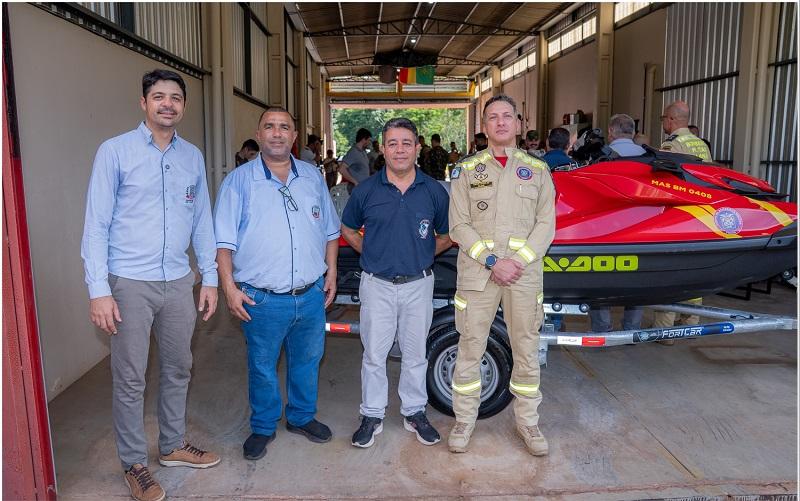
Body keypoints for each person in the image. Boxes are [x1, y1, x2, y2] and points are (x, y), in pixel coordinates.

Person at [81, 69, 220, 501]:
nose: (167, 104)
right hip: (129, 283)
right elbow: (96, 223)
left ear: (183, 106)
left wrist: (210, 276)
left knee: (179, 368)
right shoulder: (115, 152)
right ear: (144, 103)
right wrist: (99, 289)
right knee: (130, 378)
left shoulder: (191, 156)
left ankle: (173, 445)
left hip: (178, 281)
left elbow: (202, 220)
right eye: (158, 96)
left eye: (175, 97)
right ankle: (134, 464)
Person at [214, 107, 341, 461]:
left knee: (307, 361)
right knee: (262, 366)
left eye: (284, 127)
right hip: (262, 299)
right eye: (269, 126)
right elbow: (222, 243)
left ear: (294, 136)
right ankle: (263, 425)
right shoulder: (238, 182)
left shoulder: (312, 177)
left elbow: (330, 231)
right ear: (259, 134)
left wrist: (331, 273)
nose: (277, 133)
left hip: (310, 294)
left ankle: (301, 417)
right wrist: (229, 288)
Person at [447, 95, 556, 456]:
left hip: (523, 276)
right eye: (492, 117)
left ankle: (528, 423)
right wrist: (494, 261)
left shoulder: (537, 170)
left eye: (506, 116)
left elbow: (546, 224)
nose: (500, 122)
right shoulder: (467, 170)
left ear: (518, 123)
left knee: (526, 348)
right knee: (469, 347)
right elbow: (458, 225)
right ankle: (464, 421)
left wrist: (517, 262)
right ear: (484, 126)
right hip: (479, 274)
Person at [341, 117, 451, 449]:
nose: (399, 150)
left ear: (417, 147)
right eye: (392, 143)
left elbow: (448, 234)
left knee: (416, 354)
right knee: (374, 354)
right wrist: (371, 252)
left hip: (419, 284)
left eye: (406, 143)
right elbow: (348, 229)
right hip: (377, 284)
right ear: (382, 149)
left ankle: (414, 412)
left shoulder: (434, 190)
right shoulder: (366, 190)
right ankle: (372, 414)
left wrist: (422, 254)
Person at [656, 101, 711, 339]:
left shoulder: (672, 144)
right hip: (701, 216)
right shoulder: (701, 144)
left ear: (671, 119)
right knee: (696, 271)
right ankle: (691, 324)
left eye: (663, 118)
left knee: (671, 271)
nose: (663, 123)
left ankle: (663, 330)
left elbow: (664, 181)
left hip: (677, 216)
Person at [589, 114, 646, 333]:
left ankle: (602, 327)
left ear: (611, 132)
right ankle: (632, 328)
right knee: (638, 279)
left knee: (601, 278)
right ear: (633, 132)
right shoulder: (648, 157)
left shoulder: (601, 157)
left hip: (607, 228)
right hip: (642, 228)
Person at [339, 128, 373, 193]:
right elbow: (341, 169)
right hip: (356, 191)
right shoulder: (353, 152)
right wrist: (355, 182)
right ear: (363, 139)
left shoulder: (363, 152)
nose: (369, 143)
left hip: (364, 189)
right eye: (369, 140)